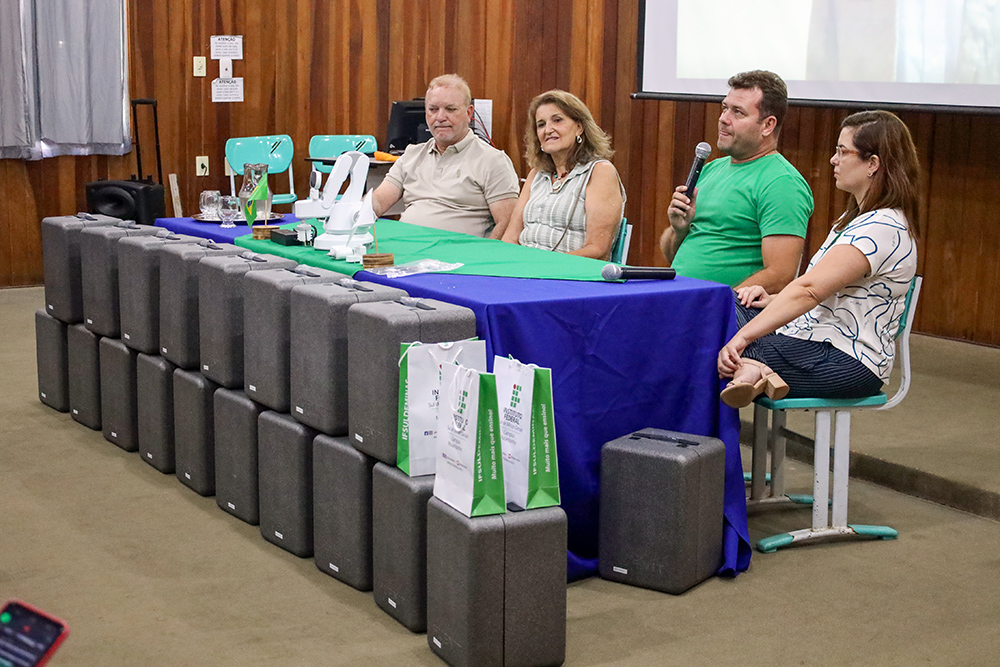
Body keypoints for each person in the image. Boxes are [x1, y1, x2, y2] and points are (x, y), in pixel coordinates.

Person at [717, 110, 920, 408]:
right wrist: (771, 300)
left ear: (873, 164)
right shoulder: (853, 220)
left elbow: (810, 290)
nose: (833, 160)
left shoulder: (883, 226)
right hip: (811, 337)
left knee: (721, 346)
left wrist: (743, 337)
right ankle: (754, 368)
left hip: (848, 359)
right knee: (724, 307)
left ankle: (753, 367)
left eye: (843, 151)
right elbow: (831, 294)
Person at [660, 70, 814, 292]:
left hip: (724, 309)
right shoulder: (711, 169)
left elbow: (780, 275)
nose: (723, 118)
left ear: (768, 125)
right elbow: (672, 256)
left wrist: (720, 304)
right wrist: (679, 229)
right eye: (725, 108)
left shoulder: (782, 183)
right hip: (681, 297)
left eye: (738, 112)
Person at [372, 74, 520, 239]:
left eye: (450, 109)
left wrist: (484, 253)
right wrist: (357, 211)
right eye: (433, 109)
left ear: (469, 113)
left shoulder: (493, 161)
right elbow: (378, 201)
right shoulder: (411, 155)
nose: (440, 117)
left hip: (460, 253)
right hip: (406, 247)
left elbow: (507, 224)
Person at [501, 90, 625, 260]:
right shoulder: (536, 174)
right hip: (524, 267)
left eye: (557, 120)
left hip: (569, 270)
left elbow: (597, 249)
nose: (548, 130)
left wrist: (543, 265)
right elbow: (510, 239)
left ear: (579, 128)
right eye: (541, 124)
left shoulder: (599, 172)